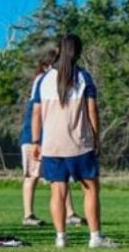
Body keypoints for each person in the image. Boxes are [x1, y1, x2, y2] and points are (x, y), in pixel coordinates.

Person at [31, 34, 118, 249]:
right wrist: (97, 138)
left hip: (52, 145)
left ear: (59, 50)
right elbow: (92, 111)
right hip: (79, 144)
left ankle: (61, 237)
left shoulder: (43, 79)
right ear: (78, 53)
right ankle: (95, 237)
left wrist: (35, 141)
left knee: (57, 192)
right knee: (90, 189)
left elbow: (36, 113)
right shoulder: (83, 77)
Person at [20, 49, 85, 227]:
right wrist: (35, 140)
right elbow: (37, 112)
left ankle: (70, 213)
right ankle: (28, 214)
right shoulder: (43, 81)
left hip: (50, 138)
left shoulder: (53, 80)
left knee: (60, 177)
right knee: (32, 176)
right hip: (34, 137)